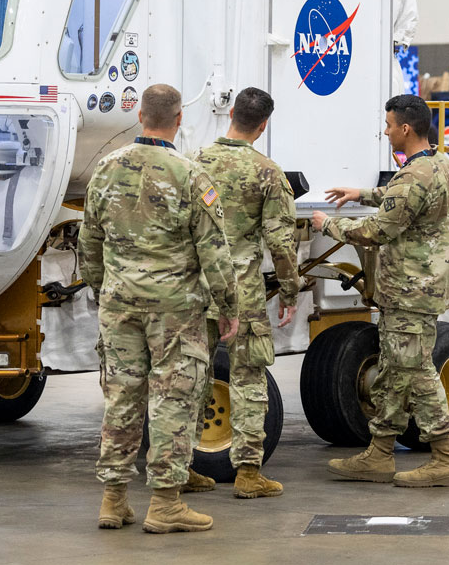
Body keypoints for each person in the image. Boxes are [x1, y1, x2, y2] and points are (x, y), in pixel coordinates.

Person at [78, 83, 238, 534]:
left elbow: (88, 242)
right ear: (179, 119)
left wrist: (103, 288)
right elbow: (214, 251)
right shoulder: (189, 175)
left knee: (122, 397)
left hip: (119, 303)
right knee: (172, 398)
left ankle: (113, 500)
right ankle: (166, 502)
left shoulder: (105, 170)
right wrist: (229, 306)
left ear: (140, 114)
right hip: (174, 310)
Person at [312, 94, 449, 486]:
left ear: (405, 129)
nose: (385, 131)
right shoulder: (438, 165)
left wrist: (326, 225)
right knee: (391, 370)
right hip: (419, 288)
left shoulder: (411, 178)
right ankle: (380, 453)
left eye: (389, 125)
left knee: (418, 371)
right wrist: (363, 194)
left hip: (409, 291)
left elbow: (377, 231)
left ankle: (444, 455)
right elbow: (407, 201)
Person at [192, 87, 299, 498]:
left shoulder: (194, 163)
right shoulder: (267, 172)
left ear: (230, 113)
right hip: (244, 293)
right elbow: (280, 241)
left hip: (197, 289)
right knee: (248, 378)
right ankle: (249, 473)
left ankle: (181, 466)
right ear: (264, 124)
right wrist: (290, 292)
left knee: (191, 376)